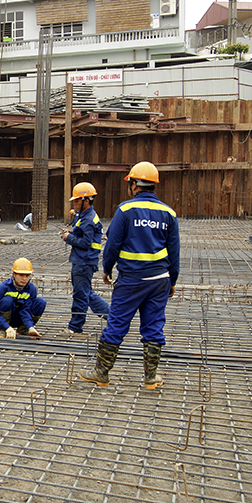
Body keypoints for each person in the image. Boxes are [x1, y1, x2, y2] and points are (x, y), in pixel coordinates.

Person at [80, 162, 179, 389]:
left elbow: (113, 244)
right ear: (154, 185)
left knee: (116, 324)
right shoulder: (169, 213)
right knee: (154, 326)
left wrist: (107, 268)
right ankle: (151, 378)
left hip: (131, 279)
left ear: (133, 184)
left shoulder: (125, 210)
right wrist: (172, 280)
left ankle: (102, 372)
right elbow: (175, 252)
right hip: (159, 280)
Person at [61, 182, 110, 335]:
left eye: (76, 200)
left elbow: (85, 243)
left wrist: (68, 237)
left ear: (86, 200)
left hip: (84, 262)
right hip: (83, 261)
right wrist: (71, 233)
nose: (74, 203)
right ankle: (113, 316)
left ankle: (75, 327)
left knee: (81, 294)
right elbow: (82, 235)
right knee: (87, 293)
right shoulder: (85, 216)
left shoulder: (89, 219)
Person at [0, 258, 46, 338]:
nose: (24, 278)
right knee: (7, 300)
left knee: (41, 302)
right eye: (21, 275)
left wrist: (30, 327)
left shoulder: (31, 289)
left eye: (27, 275)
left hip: (21, 318)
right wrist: (7, 327)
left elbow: (25, 309)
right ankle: (3, 331)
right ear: (14, 274)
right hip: (6, 319)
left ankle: (22, 330)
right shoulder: (2, 288)